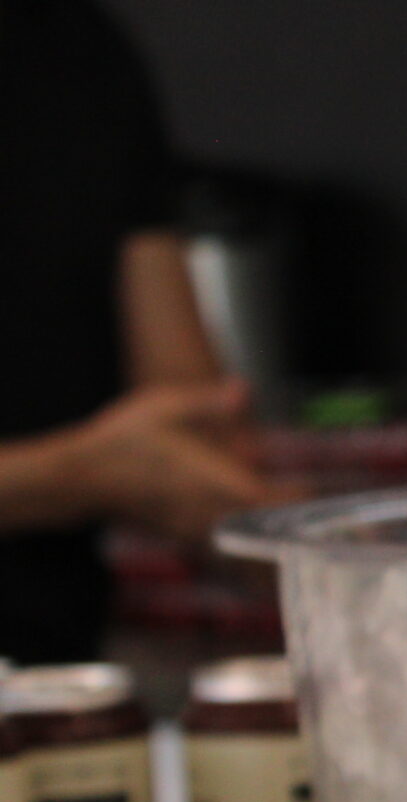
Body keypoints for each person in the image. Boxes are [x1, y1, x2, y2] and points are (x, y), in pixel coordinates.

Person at [0, 0, 286, 666]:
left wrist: (317, 546)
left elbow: (188, 401)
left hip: (60, 696)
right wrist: (76, 474)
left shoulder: (80, 49)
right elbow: (118, 468)